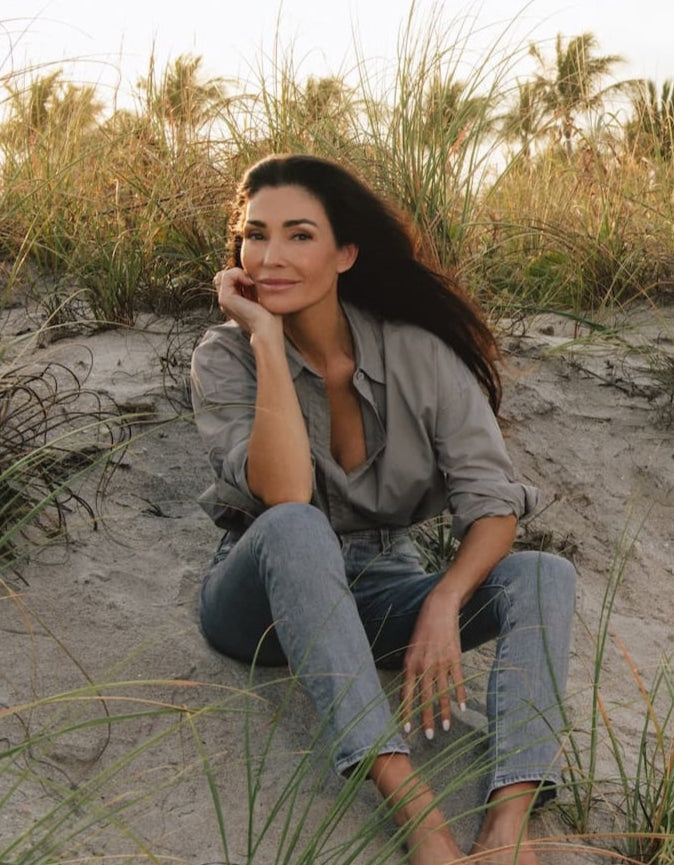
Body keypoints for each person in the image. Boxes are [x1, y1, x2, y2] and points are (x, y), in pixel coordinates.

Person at [190, 153, 576, 865]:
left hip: (378, 591)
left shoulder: (417, 354)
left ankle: (507, 824)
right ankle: (415, 808)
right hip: (260, 603)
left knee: (543, 574)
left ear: (346, 252)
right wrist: (267, 343)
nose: (270, 257)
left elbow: (492, 504)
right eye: (255, 234)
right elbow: (283, 496)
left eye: (299, 235)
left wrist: (444, 601)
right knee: (296, 522)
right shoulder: (225, 356)